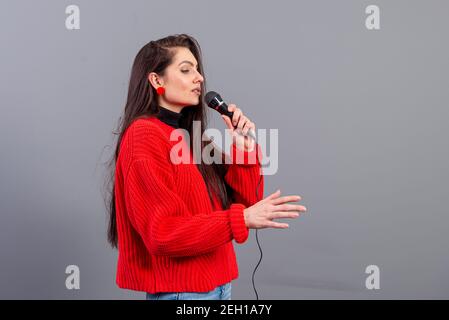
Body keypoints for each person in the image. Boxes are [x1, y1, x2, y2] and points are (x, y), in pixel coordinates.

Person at [105, 34, 307, 300]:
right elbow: (162, 233)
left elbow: (248, 204)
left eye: (198, 69)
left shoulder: (191, 137)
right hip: (184, 293)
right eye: (186, 70)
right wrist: (242, 219)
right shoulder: (144, 136)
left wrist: (243, 146)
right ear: (157, 80)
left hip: (220, 286)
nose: (199, 77)